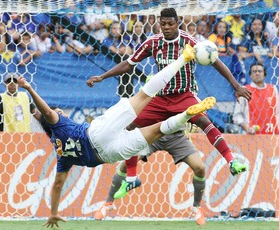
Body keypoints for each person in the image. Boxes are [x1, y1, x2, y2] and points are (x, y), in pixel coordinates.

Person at [17, 44, 216, 228]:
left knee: (158, 130)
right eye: (59, 111)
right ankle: (183, 58)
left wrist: (52, 213)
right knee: (145, 95)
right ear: (54, 116)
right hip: (96, 135)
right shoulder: (57, 124)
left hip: (107, 156)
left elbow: (58, 184)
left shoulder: (60, 152)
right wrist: (28, 89)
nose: (62, 113)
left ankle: (186, 114)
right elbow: (46, 111)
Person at [87, 7, 252, 197]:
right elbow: (128, 64)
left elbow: (216, 61)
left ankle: (231, 160)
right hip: (160, 98)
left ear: (178, 22)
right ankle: (131, 179)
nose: (166, 27)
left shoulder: (189, 41)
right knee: (129, 125)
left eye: (170, 24)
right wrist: (102, 76)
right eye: (163, 24)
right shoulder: (153, 42)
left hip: (184, 95)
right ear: (159, 23)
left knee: (204, 121)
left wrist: (236, 86)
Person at [94, 127, 207, 225]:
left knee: (200, 168)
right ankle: (108, 203)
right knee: (125, 165)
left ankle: (196, 208)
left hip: (176, 137)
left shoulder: (189, 101)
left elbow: (199, 114)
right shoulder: (150, 101)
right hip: (152, 133)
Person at [233, 62, 279, 134]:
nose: (257, 73)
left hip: (273, 134)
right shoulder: (245, 90)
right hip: (252, 135)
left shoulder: (273, 89)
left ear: (264, 74)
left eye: (260, 71)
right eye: (254, 71)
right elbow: (237, 115)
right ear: (250, 75)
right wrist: (246, 128)